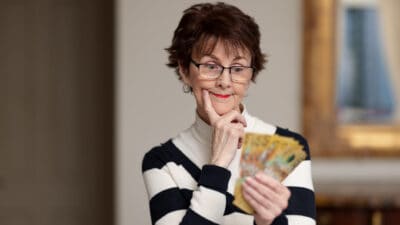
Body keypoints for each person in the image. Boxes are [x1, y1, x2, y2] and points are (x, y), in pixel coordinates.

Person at [142, 2, 316, 225]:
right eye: (211, 66)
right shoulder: (162, 162)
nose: (225, 82)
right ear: (185, 71)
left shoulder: (287, 147)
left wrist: (268, 221)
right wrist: (217, 166)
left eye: (237, 68)